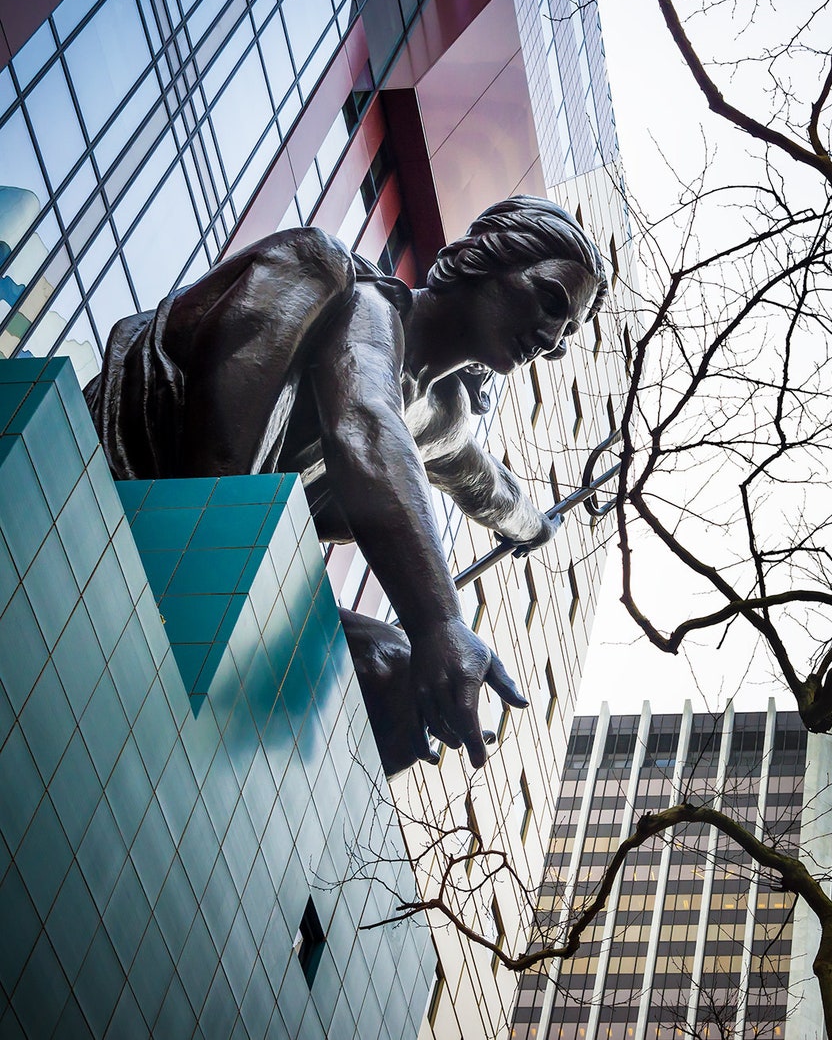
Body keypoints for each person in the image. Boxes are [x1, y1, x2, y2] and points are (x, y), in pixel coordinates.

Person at [86, 196, 606, 773]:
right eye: (552, 299)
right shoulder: (354, 295)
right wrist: (439, 619)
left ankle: (211, 801)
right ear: (484, 257)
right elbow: (365, 419)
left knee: (396, 671)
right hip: (139, 476)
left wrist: (537, 526)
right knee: (320, 266)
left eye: (569, 332)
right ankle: (208, 571)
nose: (554, 337)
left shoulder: (438, 415)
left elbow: (485, 484)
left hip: (232, 563)